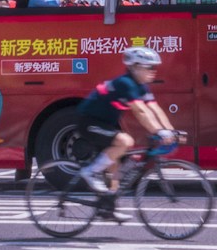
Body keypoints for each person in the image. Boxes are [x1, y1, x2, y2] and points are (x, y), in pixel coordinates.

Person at [73, 46, 180, 196]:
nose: (153, 70)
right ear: (135, 67)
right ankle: (89, 172)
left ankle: (109, 208)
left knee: (115, 170)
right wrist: (159, 131)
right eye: (149, 67)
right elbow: (141, 111)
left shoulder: (142, 87)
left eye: (154, 67)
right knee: (125, 141)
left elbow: (155, 109)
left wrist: (170, 129)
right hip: (89, 122)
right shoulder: (125, 83)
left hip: (105, 124)